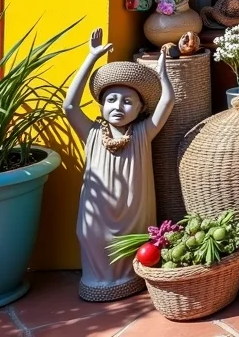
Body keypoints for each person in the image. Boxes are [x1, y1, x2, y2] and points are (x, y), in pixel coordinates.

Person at [64, 29, 175, 301]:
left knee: (133, 244)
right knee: (91, 238)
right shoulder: (90, 132)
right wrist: (90, 58)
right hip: (97, 213)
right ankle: (96, 280)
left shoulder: (142, 133)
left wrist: (163, 75)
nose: (118, 106)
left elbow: (168, 101)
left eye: (128, 102)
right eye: (111, 100)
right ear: (101, 105)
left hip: (133, 212)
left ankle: (129, 279)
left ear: (139, 110)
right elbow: (69, 106)